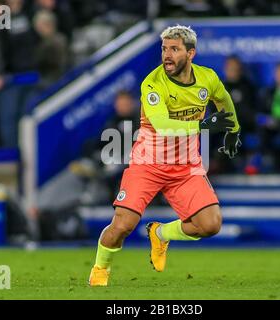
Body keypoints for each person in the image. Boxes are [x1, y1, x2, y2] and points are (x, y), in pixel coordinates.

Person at [88, 25, 241, 286]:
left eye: (174, 49)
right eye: (163, 49)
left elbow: (224, 100)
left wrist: (233, 131)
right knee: (123, 225)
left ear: (191, 53)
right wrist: (204, 126)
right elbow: (164, 126)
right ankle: (100, 269)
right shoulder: (152, 83)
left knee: (210, 224)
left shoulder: (208, 79)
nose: (166, 55)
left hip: (186, 167)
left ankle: (161, 232)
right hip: (147, 165)